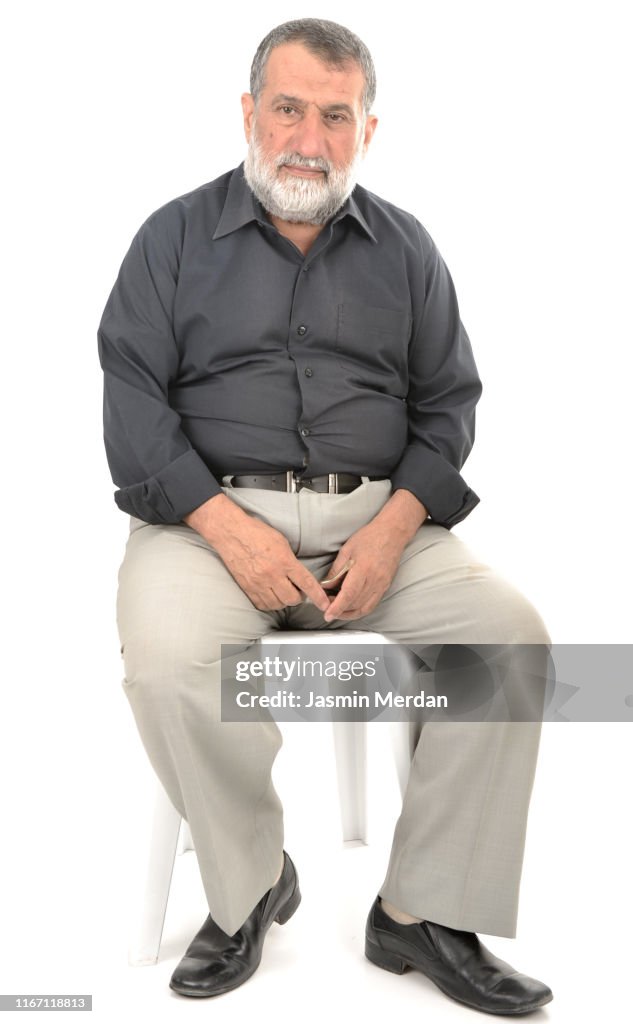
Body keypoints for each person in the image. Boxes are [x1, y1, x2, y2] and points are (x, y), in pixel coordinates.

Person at [98, 17, 554, 1015]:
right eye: (291, 109)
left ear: (368, 130)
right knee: (168, 660)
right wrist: (227, 525)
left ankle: (424, 910)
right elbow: (132, 405)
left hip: (381, 519)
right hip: (201, 524)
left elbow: (449, 405)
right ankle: (253, 880)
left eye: (335, 116)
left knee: (512, 639)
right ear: (250, 113)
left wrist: (394, 527)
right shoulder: (171, 239)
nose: (309, 137)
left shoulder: (408, 249)